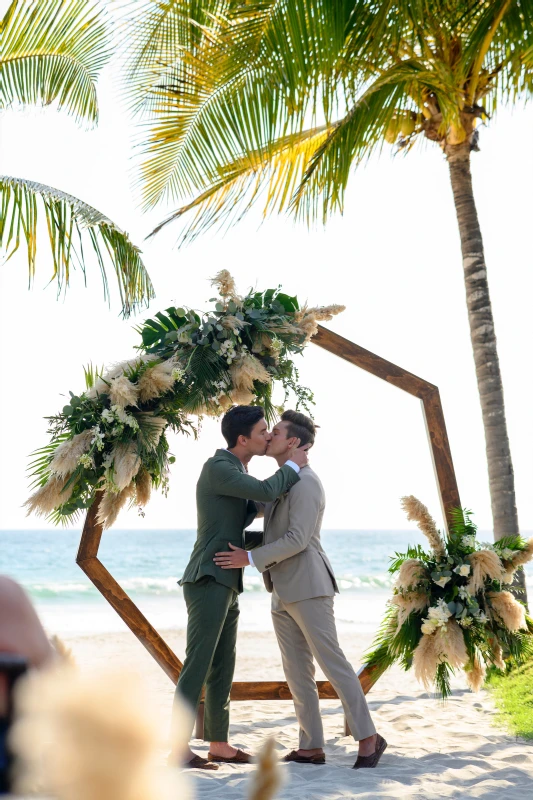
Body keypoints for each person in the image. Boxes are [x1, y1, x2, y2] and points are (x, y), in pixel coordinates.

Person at [214, 410, 387, 770]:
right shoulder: (284, 479)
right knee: (297, 671)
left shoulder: (307, 482)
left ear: (292, 442)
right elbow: (255, 502)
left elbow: (297, 539)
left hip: (309, 585)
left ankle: (368, 738)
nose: (268, 436)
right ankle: (310, 747)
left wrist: (249, 557)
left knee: (333, 664)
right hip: (281, 587)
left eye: (274, 432)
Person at [174, 405, 309, 770]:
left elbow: (247, 520)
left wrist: (274, 540)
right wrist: (295, 464)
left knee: (223, 666)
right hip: (207, 577)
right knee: (198, 665)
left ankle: (219, 744)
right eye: (264, 430)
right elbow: (268, 489)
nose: (268, 436)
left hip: (227, 579)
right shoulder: (219, 468)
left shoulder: (236, 471)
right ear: (242, 438)